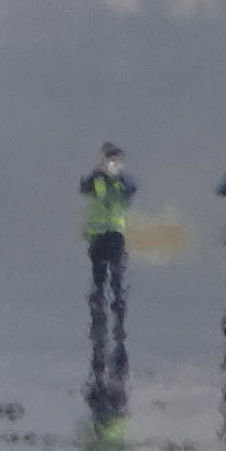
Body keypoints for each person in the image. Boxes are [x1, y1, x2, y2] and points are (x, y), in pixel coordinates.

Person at [81, 145, 139, 378]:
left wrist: (119, 175)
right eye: (109, 162)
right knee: (98, 274)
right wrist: (98, 172)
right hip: (97, 234)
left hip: (116, 233)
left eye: (116, 162)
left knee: (116, 274)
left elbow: (132, 188)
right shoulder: (97, 180)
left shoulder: (122, 183)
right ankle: (98, 303)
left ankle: (118, 306)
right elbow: (85, 187)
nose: (112, 166)